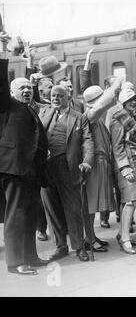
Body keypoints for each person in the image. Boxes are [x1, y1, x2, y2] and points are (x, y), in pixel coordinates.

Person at [0, 32, 49, 275]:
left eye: (30, 87)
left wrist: (29, 64)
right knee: (16, 215)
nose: (28, 90)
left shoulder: (27, 108)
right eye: (22, 88)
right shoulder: (7, 105)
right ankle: (15, 262)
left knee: (30, 214)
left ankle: (30, 256)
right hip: (15, 168)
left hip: (31, 170)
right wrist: (5, 53)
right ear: (11, 92)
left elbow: (30, 84)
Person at [39, 85, 94, 262]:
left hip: (68, 167)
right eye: (53, 96)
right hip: (46, 168)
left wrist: (87, 161)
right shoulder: (44, 114)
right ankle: (60, 246)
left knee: (73, 208)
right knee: (51, 207)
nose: (55, 98)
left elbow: (87, 141)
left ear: (68, 98)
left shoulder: (79, 118)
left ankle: (79, 247)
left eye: (59, 96)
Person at [82, 79, 122, 252]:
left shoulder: (96, 119)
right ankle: (88, 238)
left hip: (101, 164)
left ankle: (91, 235)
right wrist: (113, 88)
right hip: (95, 165)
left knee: (94, 203)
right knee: (91, 204)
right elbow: (100, 106)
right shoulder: (90, 116)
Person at [111, 88, 136, 254]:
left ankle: (123, 234)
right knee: (130, 201)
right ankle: (125, 239)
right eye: (129, 100)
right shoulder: (118, 120)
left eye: (135, 99)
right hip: (127, 163)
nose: (133, 102)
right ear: (123, 102)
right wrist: (124, 167)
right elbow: (117, 146)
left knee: (131, 199)